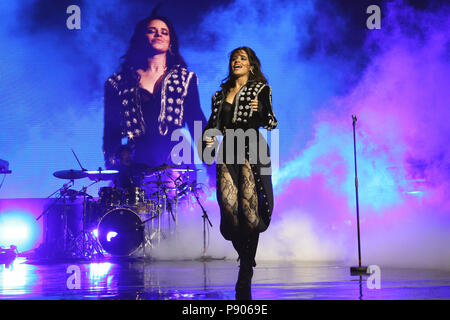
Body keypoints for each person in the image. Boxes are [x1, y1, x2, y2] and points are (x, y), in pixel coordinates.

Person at [200, 47, 278, 300]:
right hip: (228, 149)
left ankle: (245, 268)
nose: (237, 61)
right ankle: (246, 256)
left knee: (249, 210)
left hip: (252, 147)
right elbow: (214, 126)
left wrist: (260, 110)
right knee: (229, 209)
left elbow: (271, 122)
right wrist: (208, 141)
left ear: (252, 65)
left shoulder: (261, 89)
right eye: (234, 58)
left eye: (242, 58)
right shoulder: (219, 94)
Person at [103, 10, 209, 184]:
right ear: (140, 38)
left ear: (170, 42)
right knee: (136, 210)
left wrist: (213, 167)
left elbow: (197, 123)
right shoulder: (117, 83)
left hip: (177, 163)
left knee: (178, 210)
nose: (159, 34)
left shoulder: (184, 79)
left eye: (164, 31)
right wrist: (115, 167)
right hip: (135, 166)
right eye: (152, 30)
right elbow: (111, 132)